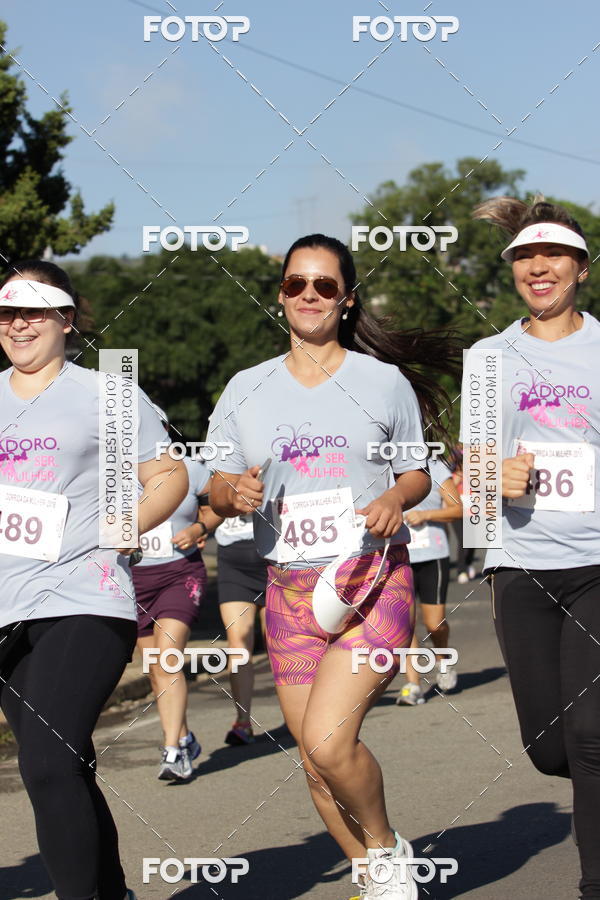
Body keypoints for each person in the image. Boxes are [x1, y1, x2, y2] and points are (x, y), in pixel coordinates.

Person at [208, 234, 461, 900]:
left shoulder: (382, 383)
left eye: (324, 286)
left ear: (346, 300)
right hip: (289, 593)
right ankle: (371, 870)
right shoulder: (245, 388)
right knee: (316, 767)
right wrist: (229, 493)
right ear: (281, 296)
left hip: (373, 582)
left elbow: (416, 474)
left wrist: (391, 497)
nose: (309, 296)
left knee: (327, 741)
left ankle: (385, 849)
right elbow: (214, 484)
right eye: (296, 284)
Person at [0, 261, 188, 900]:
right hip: (5, 609)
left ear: (66, 319)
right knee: (62, 769)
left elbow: (167, 477)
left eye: (35, 310)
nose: (19, 323)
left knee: (48, 761)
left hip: (84, 596)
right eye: (7, 312)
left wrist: (127, 522)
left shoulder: (105, 394)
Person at [464, 196, 600, 900]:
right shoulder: (488, 361)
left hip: (597, 565)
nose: (538, 268)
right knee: (550, 749)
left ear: (580, 267)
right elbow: (475, 476)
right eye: (523, 257)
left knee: (591, 736)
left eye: (552, 256)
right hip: (522, 567)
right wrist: (495, 474)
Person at [133, 410, 211, 782]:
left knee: (168, 660)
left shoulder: (190, 467)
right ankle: (184, 736)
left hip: (180, 573)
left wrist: (198, 525)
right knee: (154, 669)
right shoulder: (111, 473)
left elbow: (216, 506)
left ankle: (174, 752)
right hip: (133, 579)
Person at [397, 456, 462, 706]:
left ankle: (443, 660)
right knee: (405, 624)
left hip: (433, 555)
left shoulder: (434, 466)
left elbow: (457, 509)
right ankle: (412, 684)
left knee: (435, 624)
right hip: (398, 558)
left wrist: (426, 515)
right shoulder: (384, 465)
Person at [209, 507, 268, 745]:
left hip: (274, 554)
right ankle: (243, 722)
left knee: (278, 643)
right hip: (233, 560)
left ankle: (303, 714)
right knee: (238, 643)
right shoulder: (213, 467)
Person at [448, 449, 476, 583]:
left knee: (473, 541)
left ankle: (468, 563)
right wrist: (457, 480)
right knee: (463, 539)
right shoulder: (453, 476)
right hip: (458, 512)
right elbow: (447, 492)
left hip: (473, 512)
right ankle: (461, 570)